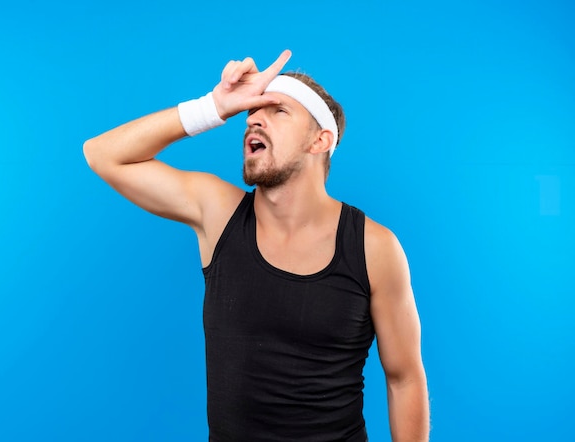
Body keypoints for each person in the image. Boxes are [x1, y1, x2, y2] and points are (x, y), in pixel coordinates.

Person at [83, 49, 429, 442]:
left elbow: (404, 379)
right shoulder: (218, 214)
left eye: (277, 111)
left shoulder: (374, 247)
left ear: (320, 140)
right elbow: (103, 155)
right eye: (250, 112)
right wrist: (212, 107)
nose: (253, 120)